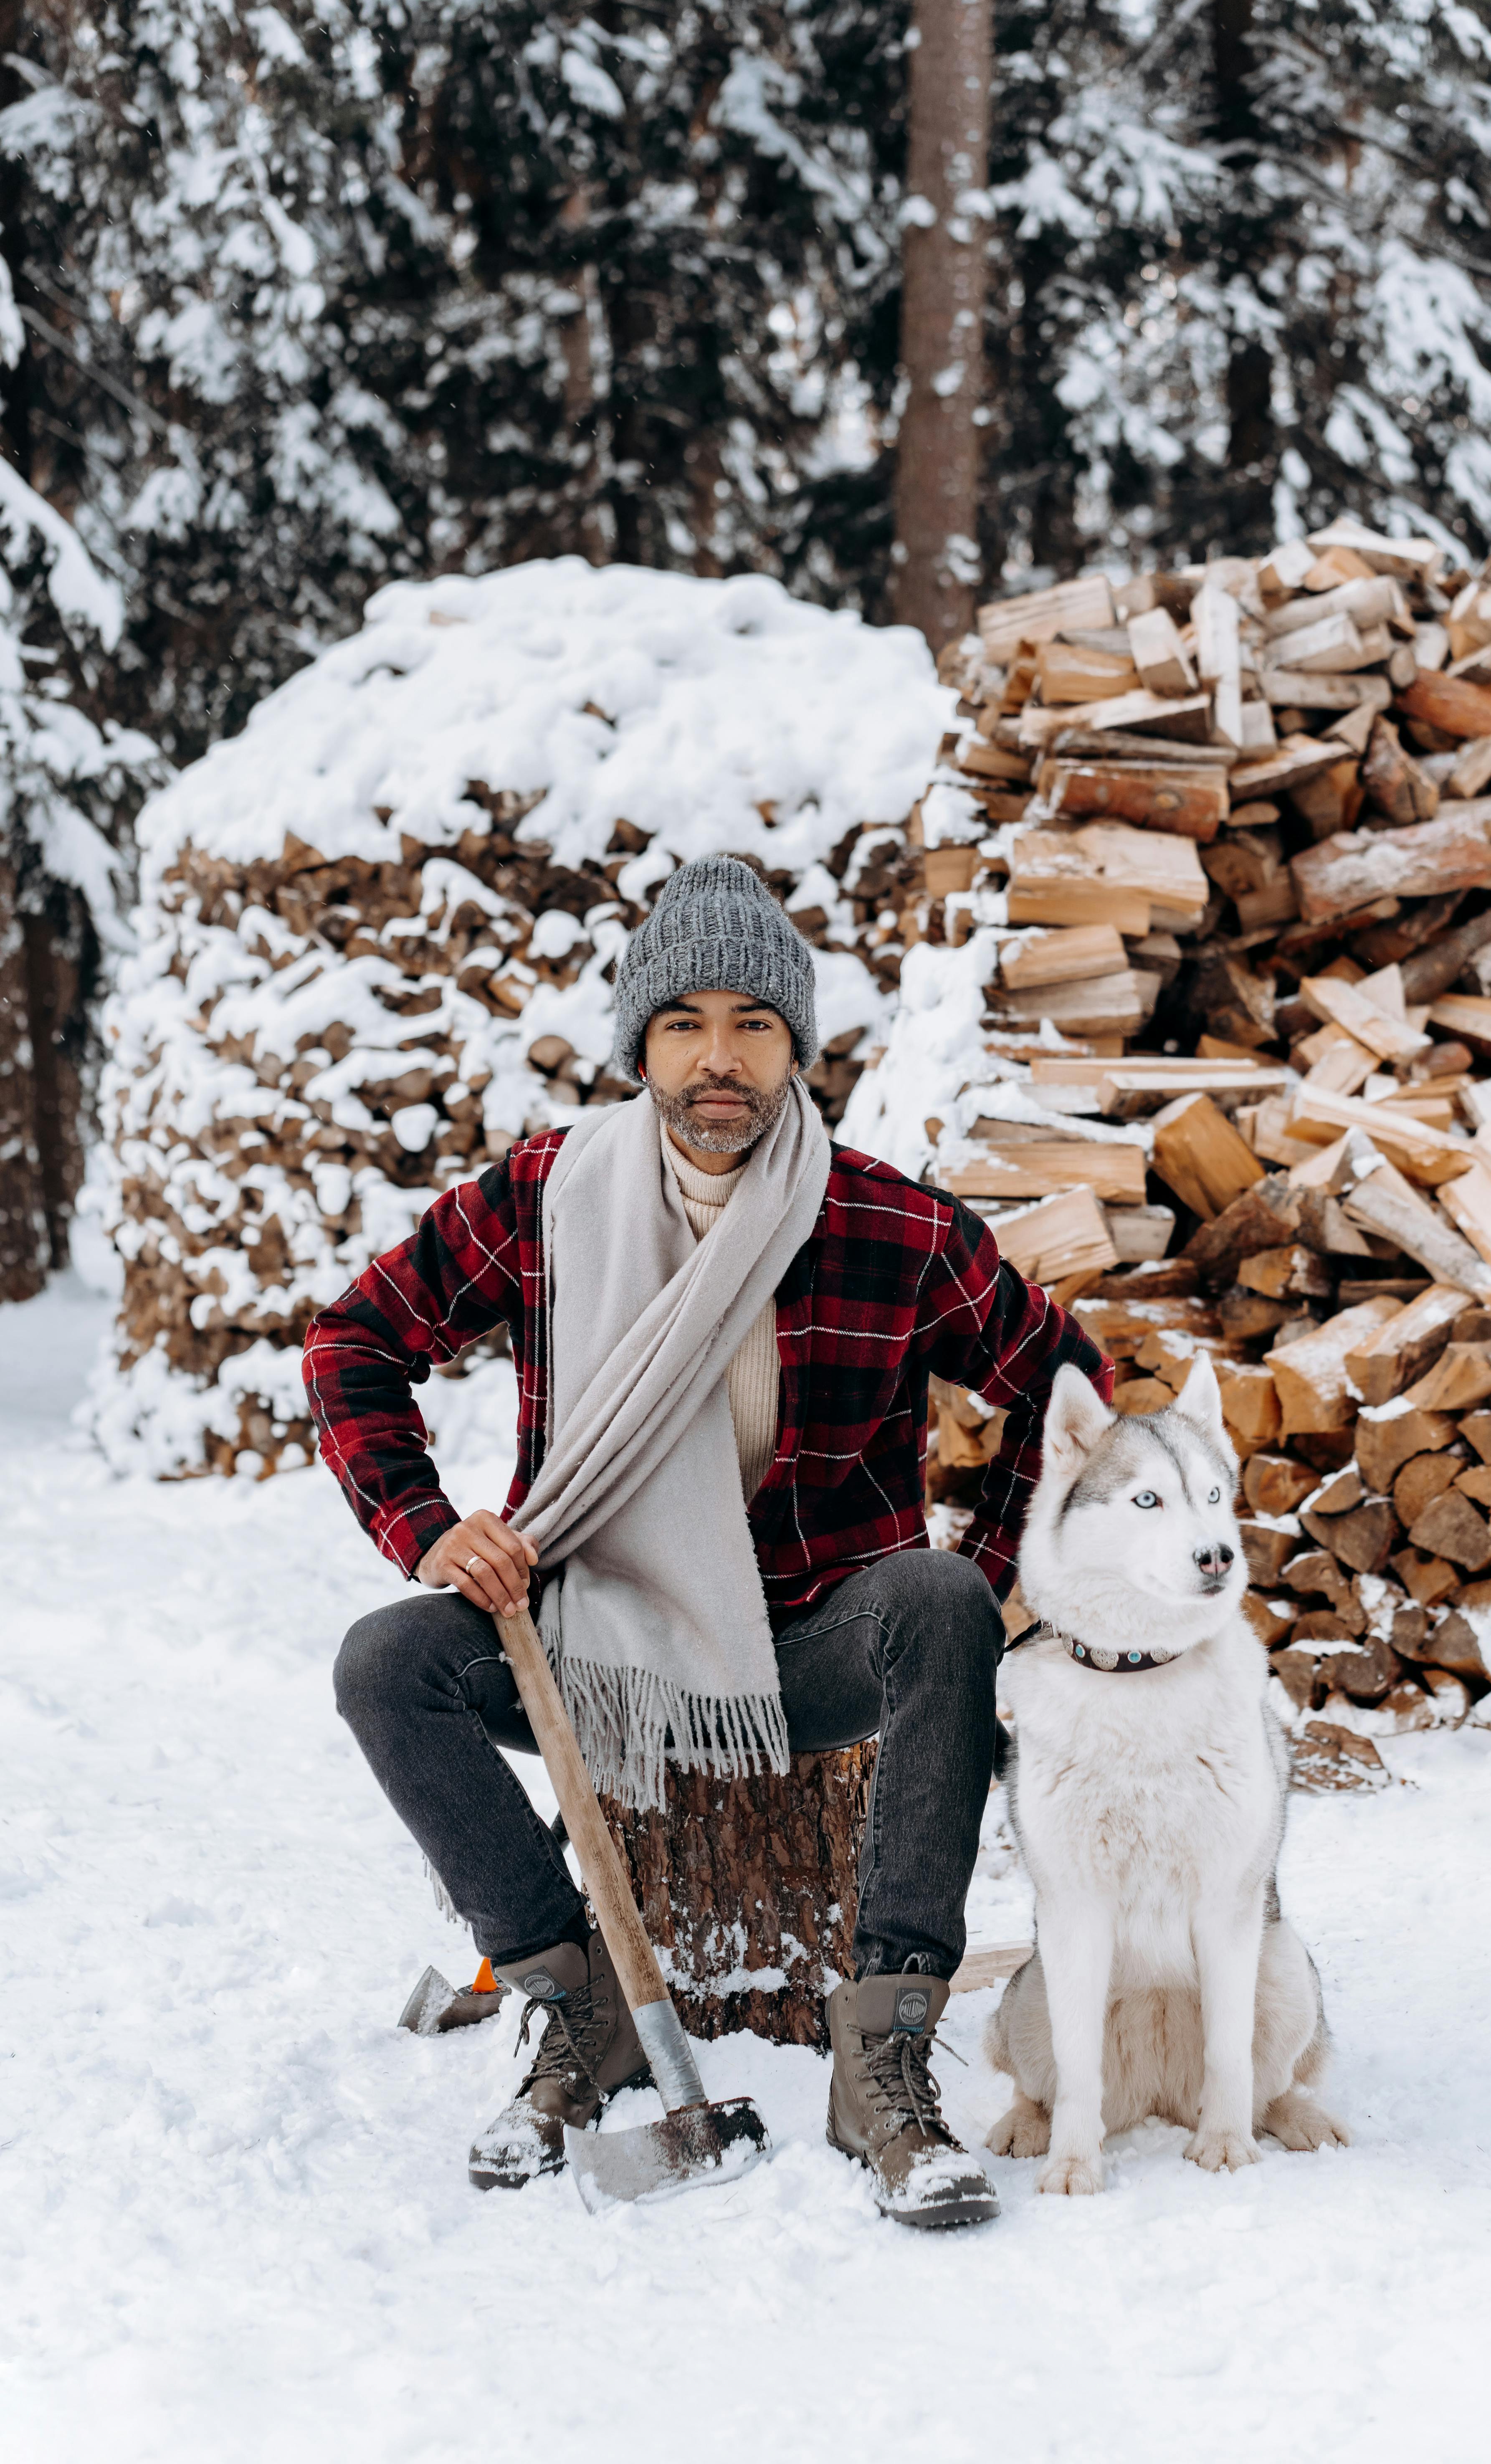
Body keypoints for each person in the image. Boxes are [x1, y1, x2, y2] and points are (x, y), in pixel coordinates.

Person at [308, 855, 1108, 2227]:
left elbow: (1064, 1380)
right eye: (683, 1023)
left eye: (753, 1023)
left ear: (796, 1043)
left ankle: (885, 2057)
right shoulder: (548, 1199)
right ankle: (575, 2007)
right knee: (388, 1664)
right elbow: (353, 1341)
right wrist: (432, 1531)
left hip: (822, 1646)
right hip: (592, 1648)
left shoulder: (890, 1223)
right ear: (642, 1044)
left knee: (935, 1604)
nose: (718, 1059)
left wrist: (979, 1587)